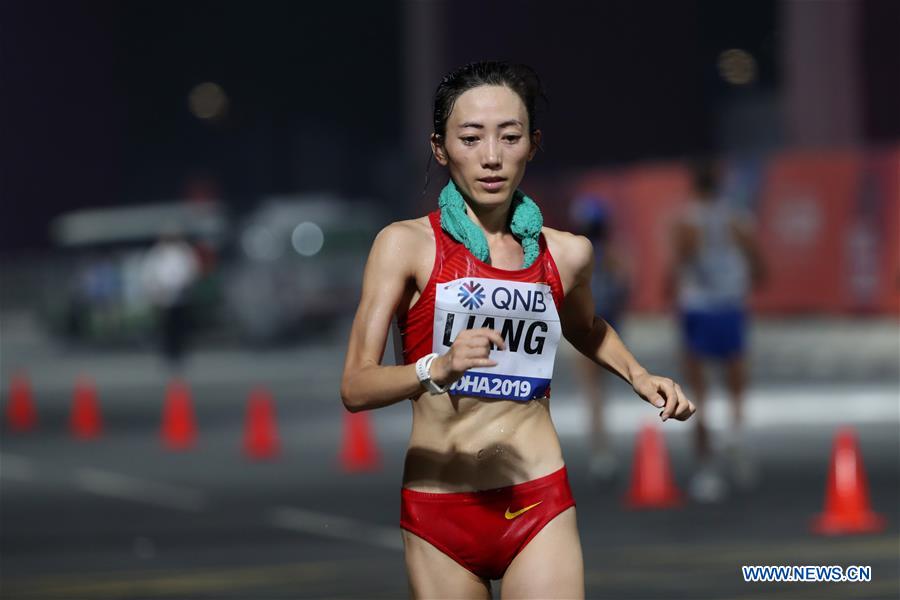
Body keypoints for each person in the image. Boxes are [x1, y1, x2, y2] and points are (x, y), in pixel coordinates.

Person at [341, 61, 695, 599]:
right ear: (440, 149)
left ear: (532, 144)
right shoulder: (404, 246)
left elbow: (587, 327)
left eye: (510, 137)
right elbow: (356, 386)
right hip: (440, 507)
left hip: (537, 498)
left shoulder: (568, 253)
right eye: (471, 137)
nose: (491, 156)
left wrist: (639, 375)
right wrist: (436, 367)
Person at [670, 160, 764, 503]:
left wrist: (671, 290)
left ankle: (707, 470)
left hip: (698, 307)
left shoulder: (686, 220)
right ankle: (737, 439)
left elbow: (679, 262)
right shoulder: (737, 218)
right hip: (730, 305)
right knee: (736, 383)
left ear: (694, 186)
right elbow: (758, 262)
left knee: (698, 393)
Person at [569, 198, 631, 482]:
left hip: (587, 323)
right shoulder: (612, 253)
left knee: (593, 392)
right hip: (607, 322)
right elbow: (625, 284)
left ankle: (601, 449)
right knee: (603, 389)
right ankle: (604, 446)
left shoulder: (578, 254)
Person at [141, 227, 200, 369]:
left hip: (180, 297)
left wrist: (185, 285)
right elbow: (148, 274)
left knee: (179, 327)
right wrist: (155, 290)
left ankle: (179, 355)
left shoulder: (184, 252)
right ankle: (167, 355)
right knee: (165, 328)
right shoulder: (156, 254)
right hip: (163, 298)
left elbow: (191, 270)